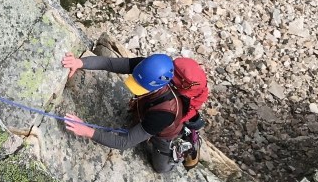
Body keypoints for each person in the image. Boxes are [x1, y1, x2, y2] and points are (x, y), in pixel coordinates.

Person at [61, 52, 208, 173]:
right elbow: (109, 63)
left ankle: (189, 141)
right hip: (149, 111)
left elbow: (125, 142)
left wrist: (87, 131)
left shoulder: (164, 113)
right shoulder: (148, 69)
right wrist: (80, 62)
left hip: (164, 132)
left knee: (161, 168)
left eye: (141, 87)